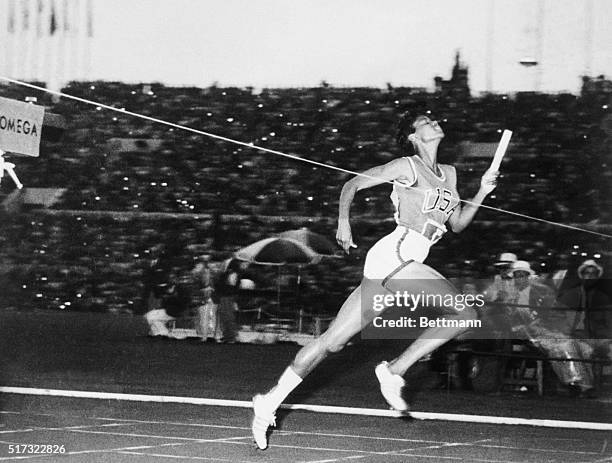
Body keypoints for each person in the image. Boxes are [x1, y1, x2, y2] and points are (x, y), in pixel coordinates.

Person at [251, 113, 499, 449]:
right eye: (426, 121)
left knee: (332, 343)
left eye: (436, 119)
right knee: (465, 314)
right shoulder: (407, 166)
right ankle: (394, 370)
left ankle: (269, 400)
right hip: (396, 253)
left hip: (407, 260)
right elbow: (351, 184)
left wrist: (482, 192)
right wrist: (343, 222)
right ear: (413, 136)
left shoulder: (450, 175)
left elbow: (456, 224)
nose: (436, 122)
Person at [502, 260, 595, 396]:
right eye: (517, 275)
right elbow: (511, 321)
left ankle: (580, 384)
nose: (520, 278)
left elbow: (552, 314)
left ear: (528, 276)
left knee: (577, 347)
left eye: (523, 275)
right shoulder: (509, 297)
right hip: (527, 334)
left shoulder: (542, 291)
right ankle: (577, 383)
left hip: (548, 330)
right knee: (562, 347)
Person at [556, 259, 611, 359]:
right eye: (587, 273)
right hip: (571, 338)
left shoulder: (603, 298)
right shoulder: (569, 295)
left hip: (596, 339)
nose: (589, 276)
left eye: (593, 274)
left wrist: (601, 340)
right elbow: (557, 318)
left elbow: (609, 324)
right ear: (582, 275)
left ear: (597, 277)